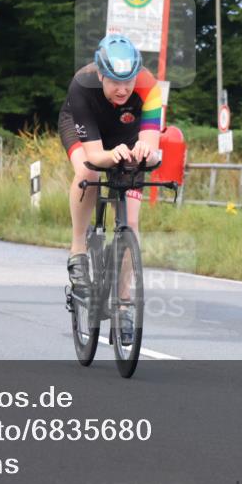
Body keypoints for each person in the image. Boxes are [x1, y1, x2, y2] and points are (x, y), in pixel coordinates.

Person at [58, 35, 162, 334]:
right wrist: (108, 156)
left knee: (130, 221)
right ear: (101, 74)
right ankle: (78, 249)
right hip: (84, 130)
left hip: (125, 134)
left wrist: (146, 152)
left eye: (129, 81)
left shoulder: (149, 87)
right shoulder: (83, 83)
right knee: (88, 174)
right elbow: (94, 156)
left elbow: (151, 145)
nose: (123, 89)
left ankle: (124, 301)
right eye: (115, 81)